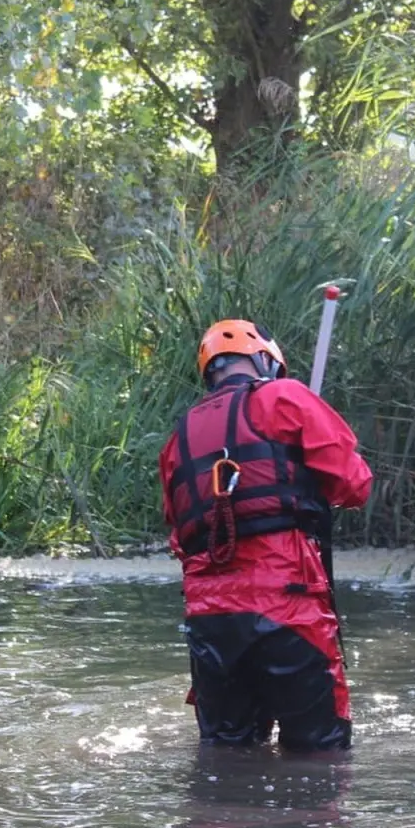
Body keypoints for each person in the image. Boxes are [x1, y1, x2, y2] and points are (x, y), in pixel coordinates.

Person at [158, 319, 373, 753]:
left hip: (210, 622)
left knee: (224, 758)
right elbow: (355, 486)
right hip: (287, 605)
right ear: (264, 361)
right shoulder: (288, 396)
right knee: (319, 756)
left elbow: (181, 534)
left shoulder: (177, 437)